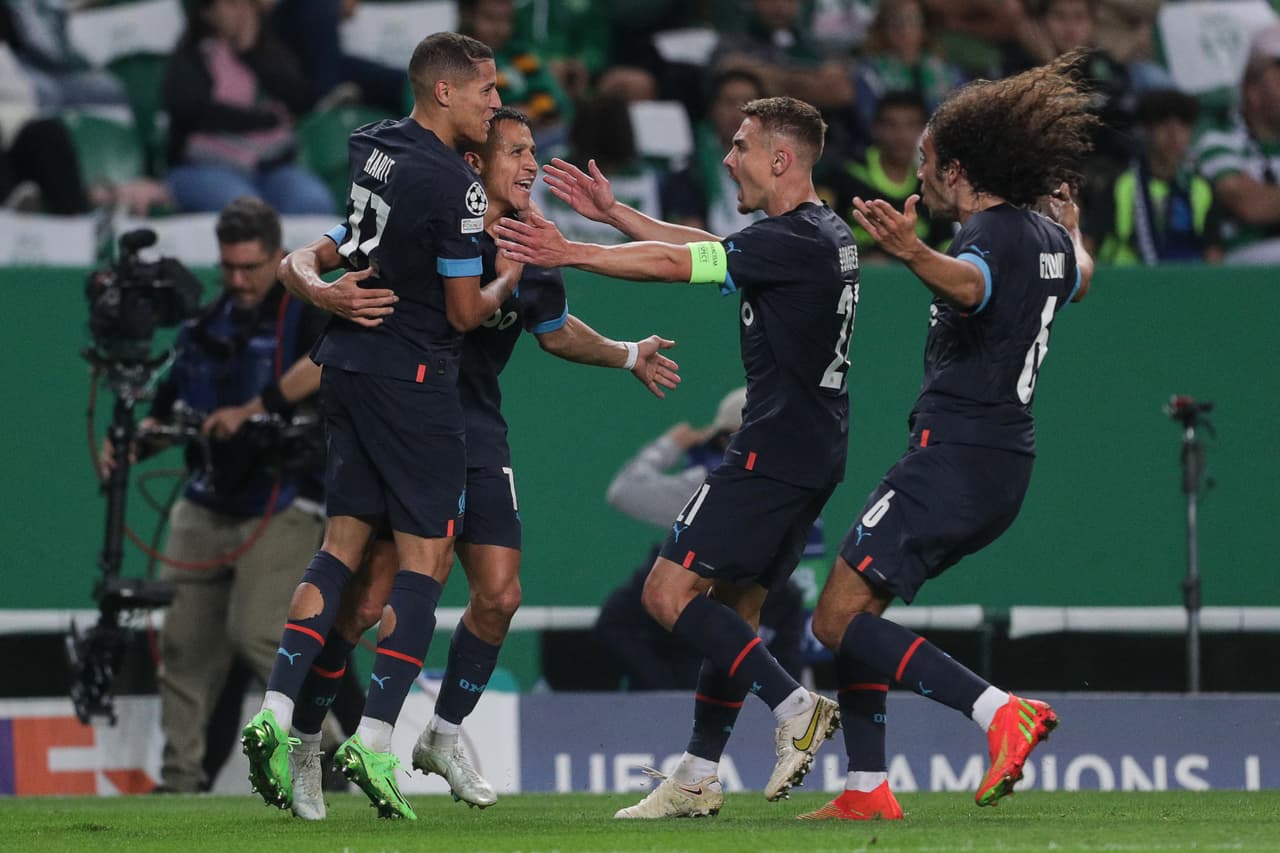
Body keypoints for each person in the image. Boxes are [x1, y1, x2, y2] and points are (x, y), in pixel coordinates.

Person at [276, 106, 681, 820]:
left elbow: (552, 331)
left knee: (500, 593)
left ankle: (443, 733)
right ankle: (310, 739)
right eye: (517, 151)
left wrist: (625, 354)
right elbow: (340, 255)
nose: (531, 164)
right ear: (474, 163)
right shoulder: (427, 220)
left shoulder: (532, 241)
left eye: (533, 151)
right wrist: (315, 283)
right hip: (403, 419)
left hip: (476, 430)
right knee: (366, 602)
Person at [497, 95, 856, 817]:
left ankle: (794, 704)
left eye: (742, 145)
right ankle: (696, 772)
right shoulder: (816, 233)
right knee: (731, 612)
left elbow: (677, 262)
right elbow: (697, 242)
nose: (728, 158)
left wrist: (572, 249)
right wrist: (614, 216)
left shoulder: (794, 240)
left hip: (774, 446)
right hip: (814, 447)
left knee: (666, 593)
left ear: (781, 160)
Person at [801, 51, 1096, 821]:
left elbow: (973, 286)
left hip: (954, 458)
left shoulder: (990, 235)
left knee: (834, 621)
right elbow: (1082, 273)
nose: (919, 175)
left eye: (928, 162)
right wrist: (1071, 222)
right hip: (999, 465)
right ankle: (867, 787)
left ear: (959, 169)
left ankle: (999, 711)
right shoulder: (1045, 236)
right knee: (859, 609)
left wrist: (908, 253)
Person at [239, 31, 520, 819]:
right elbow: (464, 313)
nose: (494, 104)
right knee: (426, 561)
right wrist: (508, 279)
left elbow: (342, 246)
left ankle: (276, 714)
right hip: (416, 378)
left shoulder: (374, 144)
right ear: (444, 92)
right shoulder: (456, 186)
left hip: (348, 371)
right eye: (486, 91)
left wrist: (320, 292)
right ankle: (373, 734)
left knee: (340, 550)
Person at [98, 196, 329, 794]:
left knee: (257, 631)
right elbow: (167, 411)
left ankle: (331, 750)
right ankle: (179, 783)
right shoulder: (204, 326)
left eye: (250, 267)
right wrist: (134, 443)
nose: (238, 279)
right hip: (206, 500)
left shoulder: (306, 312)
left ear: (278, 257)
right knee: (182, 646)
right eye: (228, 266)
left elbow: (334, 359)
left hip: (283, 498)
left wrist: (255, 409)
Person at [598, 388, 808, 690]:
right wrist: (667, 690)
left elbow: (625, 491)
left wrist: (667, 446)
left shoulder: (710, 485)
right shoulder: (773, 486)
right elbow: (615, 627)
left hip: (750, 591)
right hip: (690, 679)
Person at [163, 0, 334, 214]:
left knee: (313, 202)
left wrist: (250, 52)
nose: (242, 11)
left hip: (270, 168)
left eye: (247, 4)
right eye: (231, 4)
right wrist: (263, 120)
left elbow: (300, 100)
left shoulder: (268, 51)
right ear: (207, 12)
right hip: (202, 167)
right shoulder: (192, 54)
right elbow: (192, 111)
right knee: (247, 213)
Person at [1093, 88, 1222, 265]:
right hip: (1127, 285)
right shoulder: (1121, 184)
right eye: (1163, 123)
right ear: (1146, 130)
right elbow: (1089, 243)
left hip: (1187, 287)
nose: (1173, 134)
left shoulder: (1202, 188)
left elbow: (1213, 253)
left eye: (1182, 124)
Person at [820, 90, 953, 262]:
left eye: (911, 125)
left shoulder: (933, 183)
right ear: (875, 128)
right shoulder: (843, 175)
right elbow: (816, 240)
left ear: (925, 131)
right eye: (891, 125)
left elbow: (948, 250)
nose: (901, 135)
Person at [1191, 22, 1280, 265]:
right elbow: (1248, 204)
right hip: (1243, 262)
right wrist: (1261, 199)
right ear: (1252, 89)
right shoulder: (1217, 135)